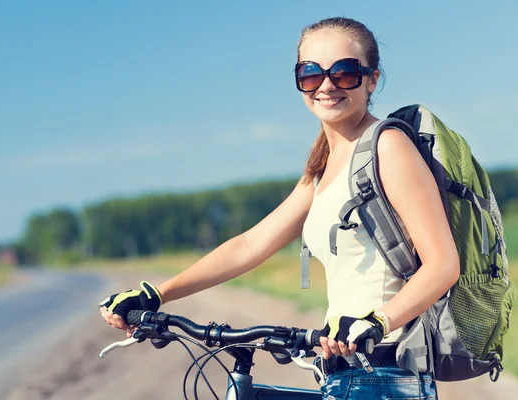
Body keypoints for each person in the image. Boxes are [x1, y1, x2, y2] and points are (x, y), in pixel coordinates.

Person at [100, 17, 459, 399]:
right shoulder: (323, 165)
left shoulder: (389, 146)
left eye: (345, 72)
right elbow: (251, 245)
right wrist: (158, 293)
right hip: (341, 370)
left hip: (385, 373)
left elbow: (442, 264)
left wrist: (376, 322)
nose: (326, 85)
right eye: (310, 74)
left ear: (372, 79)